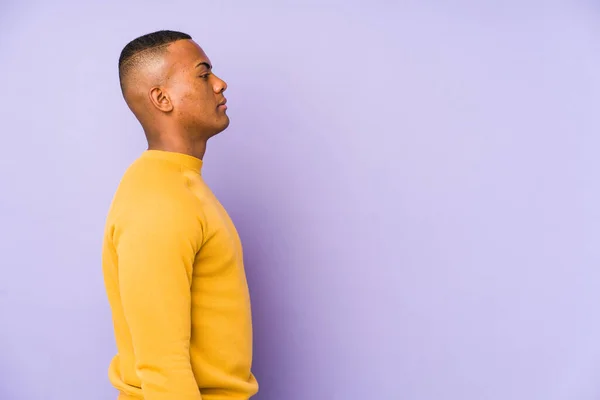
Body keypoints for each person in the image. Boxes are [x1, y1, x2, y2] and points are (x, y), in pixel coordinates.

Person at [101, 30, 258, 400]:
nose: (220, 84)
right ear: (162, 98)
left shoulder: (180, 184)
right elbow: (162, 367)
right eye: (204, 74)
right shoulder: (158, 201)